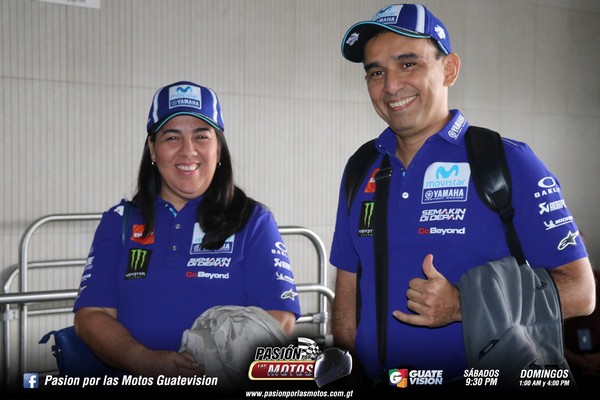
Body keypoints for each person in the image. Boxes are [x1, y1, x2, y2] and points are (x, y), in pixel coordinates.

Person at [330, 2, 595, 393]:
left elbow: (581, 292)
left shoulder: (506, 161)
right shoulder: (361, 168)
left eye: (408, 64)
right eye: (376, 72)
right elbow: (347, 289)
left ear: (449, 69)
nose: (391, 86)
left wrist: (462, 305)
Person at [73, 81, 301, 379]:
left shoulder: (252, 220)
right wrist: (141, 360)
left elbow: (280, 319)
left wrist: (213, 370)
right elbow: (91, 316)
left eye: (201, 136)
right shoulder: (119, 221)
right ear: (152, 149)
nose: (188, 151)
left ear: (219, 149)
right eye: (172, 137)